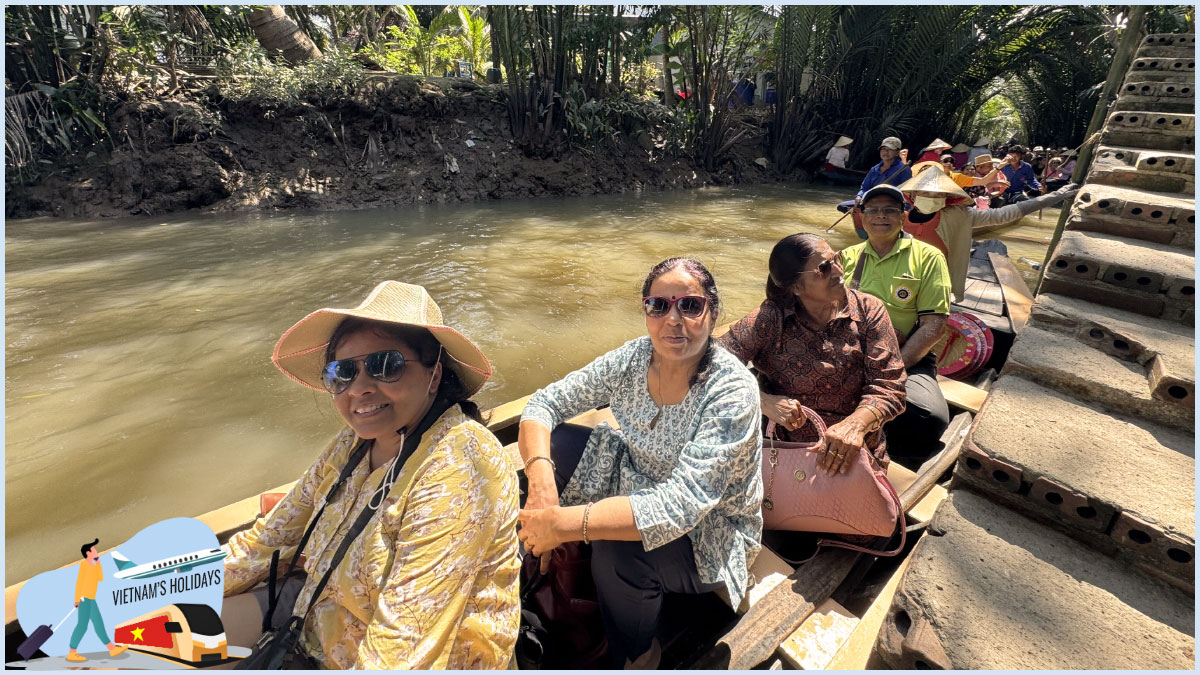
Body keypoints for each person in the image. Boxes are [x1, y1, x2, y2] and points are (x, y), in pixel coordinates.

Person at [220, 281, 519, 669]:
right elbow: (267, 542)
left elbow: (400, 650)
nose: (358, 388)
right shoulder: (353, 444)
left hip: (406, 657)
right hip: (312, 623)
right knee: (138, 640)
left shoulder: (460, 466)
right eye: (342, 372)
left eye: (385, 365)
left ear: (434, 373)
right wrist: (140, 593)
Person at [516, 257, 762, 669]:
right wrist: (542, 490)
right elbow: (544, 403)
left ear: (712, 312)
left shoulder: (732, 390)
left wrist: (564, 523)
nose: (673, 319)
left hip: (711, 528)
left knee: (619, 548)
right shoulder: (633, 358)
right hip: (636, 477)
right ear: (645, 311)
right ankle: (545, 566)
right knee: (554, 446)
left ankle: (638, 652)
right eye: (658, 306)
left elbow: (681, 504)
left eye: (690, 305)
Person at [718, 234, 907, 477]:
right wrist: (761, 401)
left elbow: (890, 385)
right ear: (795, 288)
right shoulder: (770, 319)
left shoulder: (868, 310)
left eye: (836, 259)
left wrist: (855, 425)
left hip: (858, 452)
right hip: (785, 453)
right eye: (824, 268)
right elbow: (709, 365)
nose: (839, 272)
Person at [836, 184, 950, 467]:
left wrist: (892, 366)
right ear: (862, 217)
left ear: (903, 216)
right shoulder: (847, 257)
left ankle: (888, 456)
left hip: (907, 354)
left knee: (928, 416)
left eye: (889, 210)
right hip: (851, 350)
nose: (880, 216)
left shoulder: (928, 257)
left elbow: (933, 326)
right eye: (872, 210)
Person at [898, 164, 1081, 302]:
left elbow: (1003, 214)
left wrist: (1054, 196)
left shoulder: (960, 216)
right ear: (913, 194)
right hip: (900, 278)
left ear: (947, 197)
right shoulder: (897, 216)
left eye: (938, 194)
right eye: (925, 192)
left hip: (936, 282)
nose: (932, 197)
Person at [66, 539, 129, 663]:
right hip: (84, 599)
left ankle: (111, 648)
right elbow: (79, 583)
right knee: (82, 625)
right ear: (88, 553)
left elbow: (100, 578)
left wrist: (99, 564)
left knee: (98, 623)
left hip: (91, 599)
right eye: (94, 549)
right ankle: (72, 652)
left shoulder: (93, 566)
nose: (96, 551)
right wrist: (77, 599)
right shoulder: (84, 565)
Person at [855, 137, 912, 202]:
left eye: (890, 149)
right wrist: (859, 197)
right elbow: (864, 188)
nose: (886, 152)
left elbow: (907, 193)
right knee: (843, 206)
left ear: (897, 152)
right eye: (883, 149)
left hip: (891, 203)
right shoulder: (874, 169)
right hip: (871, 201)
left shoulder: (903, 169)